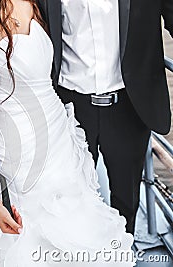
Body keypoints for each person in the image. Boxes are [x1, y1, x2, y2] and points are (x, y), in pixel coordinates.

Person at [0, 0, 136, 265]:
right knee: (43, 238)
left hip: (62, 138)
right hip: (23, 154)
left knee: (83, 223)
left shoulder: (28, 3)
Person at [37, 0, 173, 234]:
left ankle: (121, 253)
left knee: (126, 200)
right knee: (70, 197)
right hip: (70, 107)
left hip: (129, 107)